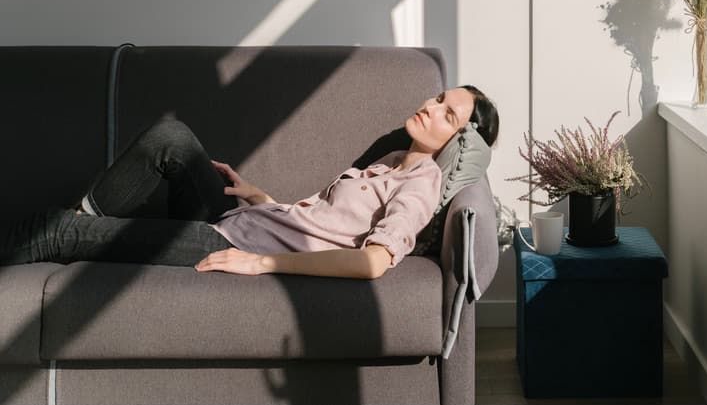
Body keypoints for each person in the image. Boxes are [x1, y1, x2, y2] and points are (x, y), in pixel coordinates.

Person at [0, 86, 499, 280]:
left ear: (459, 140)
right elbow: (323, 222)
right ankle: (86, 223)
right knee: (171, 138)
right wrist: (265, 200)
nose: (431, 107)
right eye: (438, 98)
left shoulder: (422, 183)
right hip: (247, 220)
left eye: (447, 114)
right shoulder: (391, 159)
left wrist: (262, 263)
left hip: (235, 242)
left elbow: (373, 262)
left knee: (54, 230)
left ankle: (75, 232)